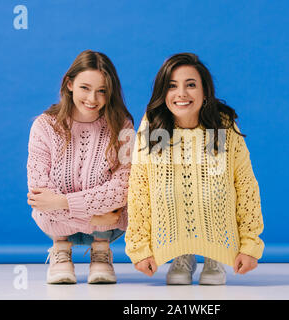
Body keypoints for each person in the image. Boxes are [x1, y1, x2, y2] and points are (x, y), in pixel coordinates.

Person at [125, 53, 264, 285]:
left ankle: (214, 255)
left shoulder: (222, 127)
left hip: (220, 228)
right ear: (163, 93)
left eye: (191, 85)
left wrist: (250, 245)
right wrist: (140, 249)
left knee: (215, 187)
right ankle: (182, 256)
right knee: (166, 186)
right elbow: (140, 189)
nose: (181, 93)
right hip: (169, 228)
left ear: (205, 92)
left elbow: (246, 186)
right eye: (172, 86)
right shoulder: (153, 126)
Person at [27, 50, 134, 284]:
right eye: (85, 87)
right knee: (47, 199)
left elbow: (121, 190)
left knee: (102, 193)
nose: (93, 98)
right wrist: (100, 217)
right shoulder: (44, 126)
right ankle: (61, 250)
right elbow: (39, 195)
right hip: (71, 222)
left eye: (102, 91)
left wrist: (62, 202)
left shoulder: (122, 128)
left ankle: (101, 252)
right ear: (69, 84)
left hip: (106, 229)